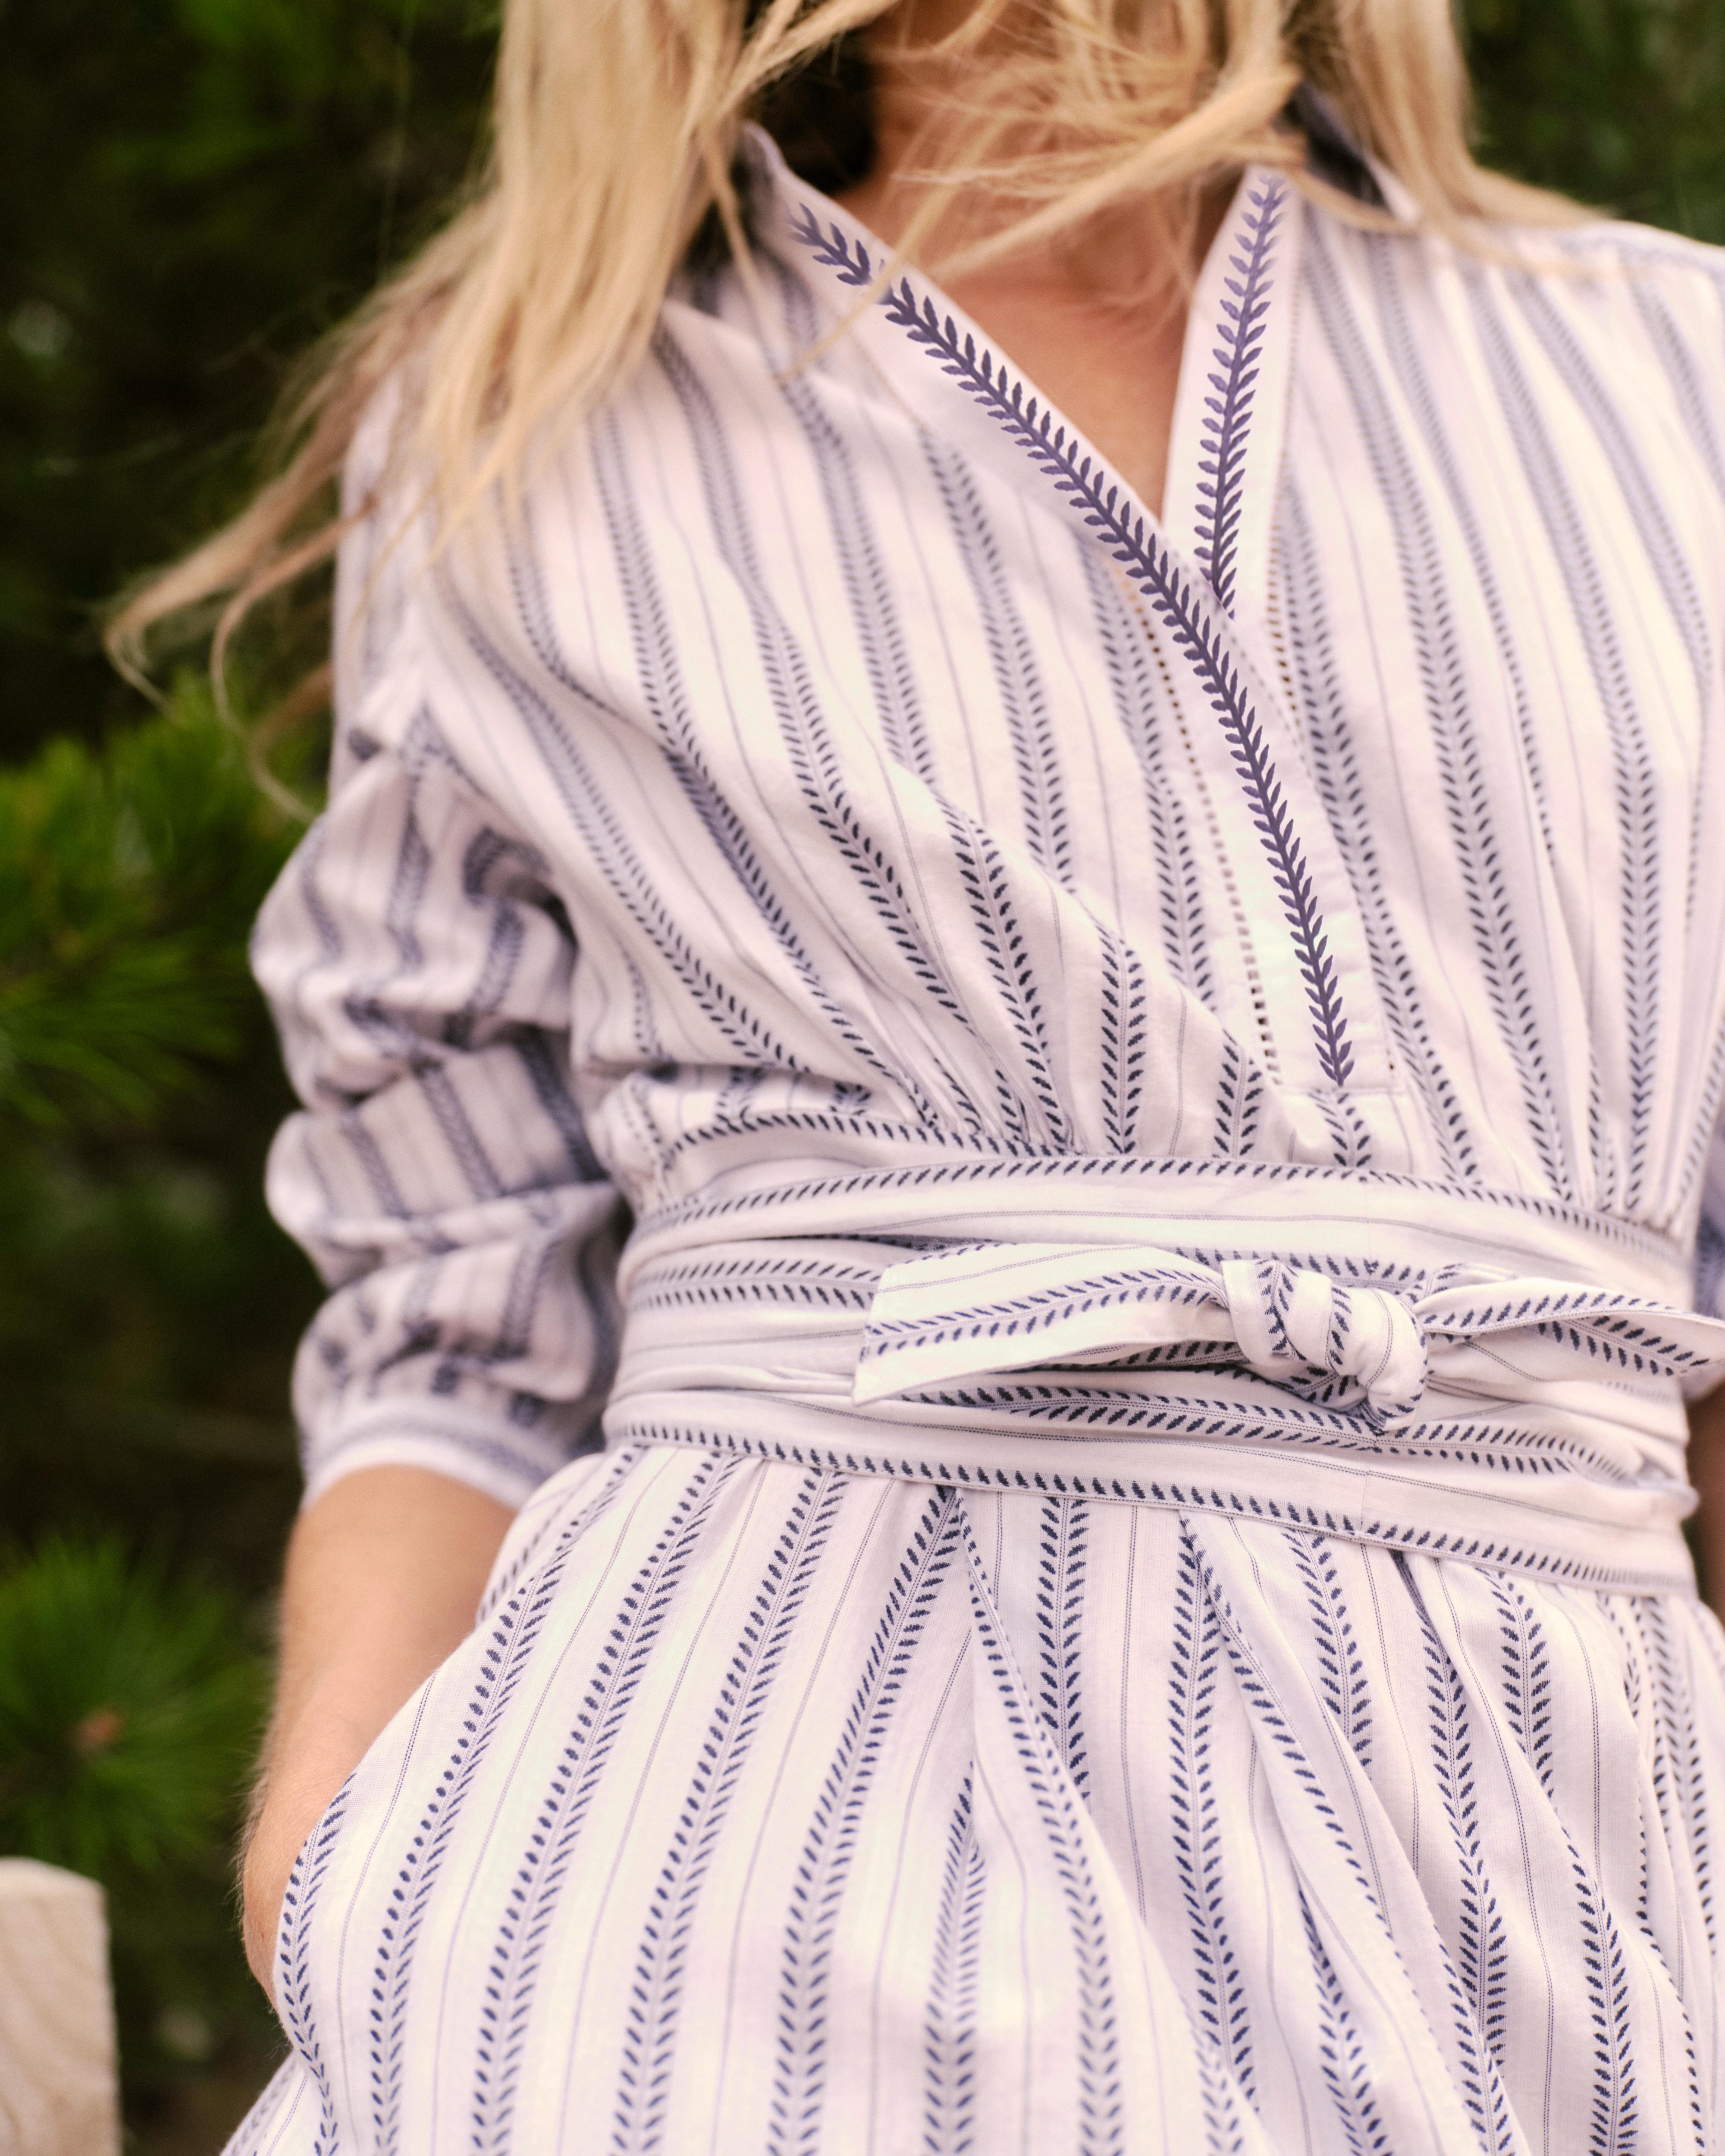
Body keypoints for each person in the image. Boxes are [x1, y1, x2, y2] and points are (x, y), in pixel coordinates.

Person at [114, 2, 1725, 2149]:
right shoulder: (531, 422)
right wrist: (335, 1867)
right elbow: (456, 1313)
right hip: (709, 1890)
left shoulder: (1665, 371)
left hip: (1551, 1881)